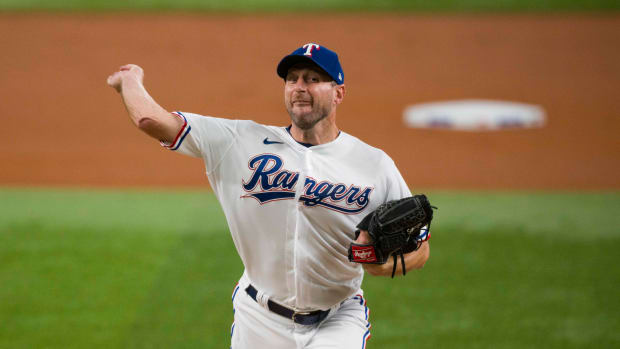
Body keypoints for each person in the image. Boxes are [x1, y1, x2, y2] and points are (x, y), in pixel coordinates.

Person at [107, 43, 430, 349]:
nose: (299, 86)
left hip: (337, 318)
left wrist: (382, 265)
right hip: (258, 318)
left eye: (313, 79)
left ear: (338, 93)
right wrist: (129, 80)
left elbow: (420, 245)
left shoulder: (373, 164)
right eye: (292, 79)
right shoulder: (239, 141)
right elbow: (151, 120)